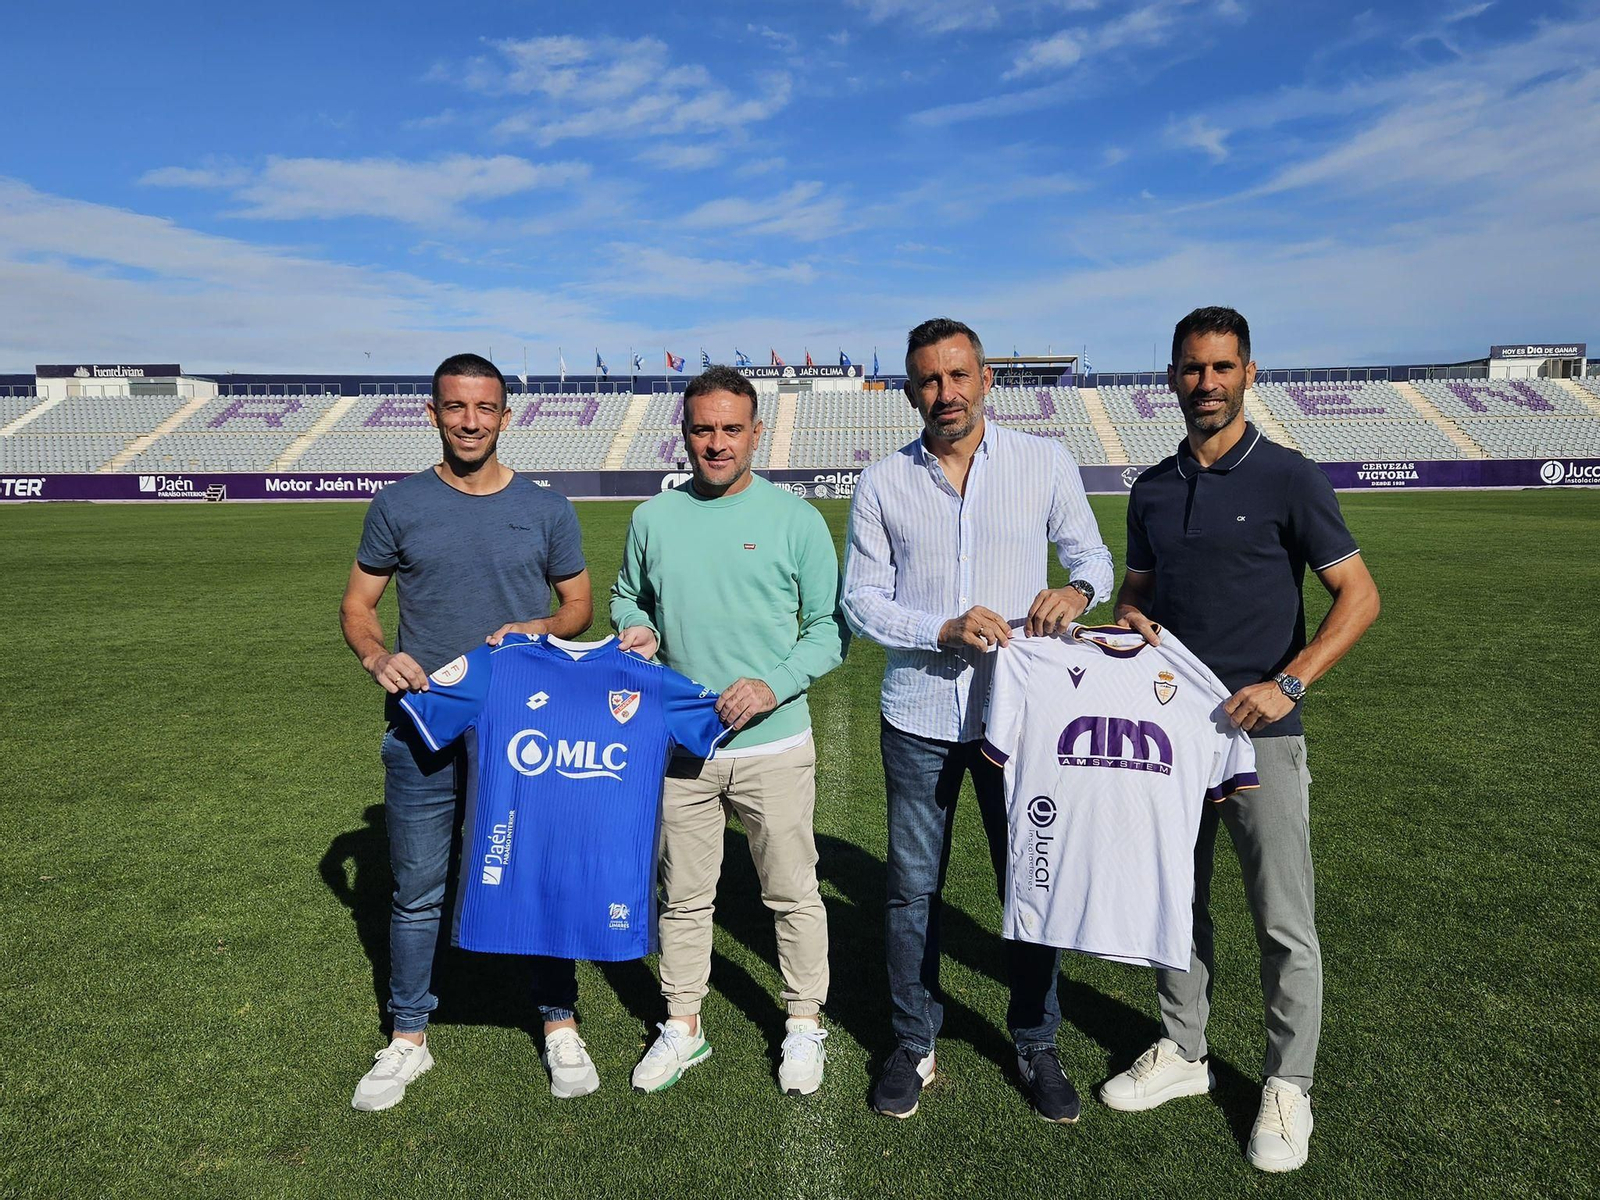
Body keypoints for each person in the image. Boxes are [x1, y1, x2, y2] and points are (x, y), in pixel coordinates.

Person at [1102, 307, 1380, 1172]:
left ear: (1249, 373)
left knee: (1282, 919)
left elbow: (1360, 597)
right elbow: (1136, 600)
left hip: (1265, 736)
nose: (1207, 383)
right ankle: (1184, 1051)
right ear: (1172, 376)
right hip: (1173, 741)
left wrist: (1288, 681)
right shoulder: (1149, 489)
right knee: (1174, 903)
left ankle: (1287, 1083)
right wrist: (1132, 625)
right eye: (1191, 368)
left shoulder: (1290, 478)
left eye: (1222, 367)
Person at [840, 317, 1114, 1122]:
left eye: (958, 376)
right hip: (919, 717)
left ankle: (1035, 1042)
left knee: (1028, 883)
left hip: (1020, 722)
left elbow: (1092, 559)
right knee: (910, 893)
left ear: (986, 377)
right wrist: (942, 628)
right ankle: (913, 1043)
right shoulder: (883, 482)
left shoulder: (1043, 462)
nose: (945, 393)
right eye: (928, 380)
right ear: (910, 389)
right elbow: (861, 601)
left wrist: (1078, 593)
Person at [340, 353, 596, 1110]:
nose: (471, 421)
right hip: (425, 728)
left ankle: (558, 1021)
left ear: (506, 416)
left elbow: (578, 606)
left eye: (485, 408)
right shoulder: (398, 504)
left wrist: (537, 627)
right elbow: (357, 605)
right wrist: (377, 653)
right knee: (418, 889)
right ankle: (408, 1036)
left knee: (538, 876)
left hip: (525, 732)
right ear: (434, 413)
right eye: (456, 407)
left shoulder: (547, 508)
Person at [611, 364, 849, 1096]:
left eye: (731, 428)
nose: (716, 443)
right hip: (681, 747)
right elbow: (627, 598)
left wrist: (772, 683)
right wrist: (638, 630)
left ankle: (804, 1021)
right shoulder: (654, 519)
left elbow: (830, 631)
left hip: (773, 746)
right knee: (683, 896)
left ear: (756, 433)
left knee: (791, 893)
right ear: (684, 433)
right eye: (703, 428)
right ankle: (682, 1025)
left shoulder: (795, 519)